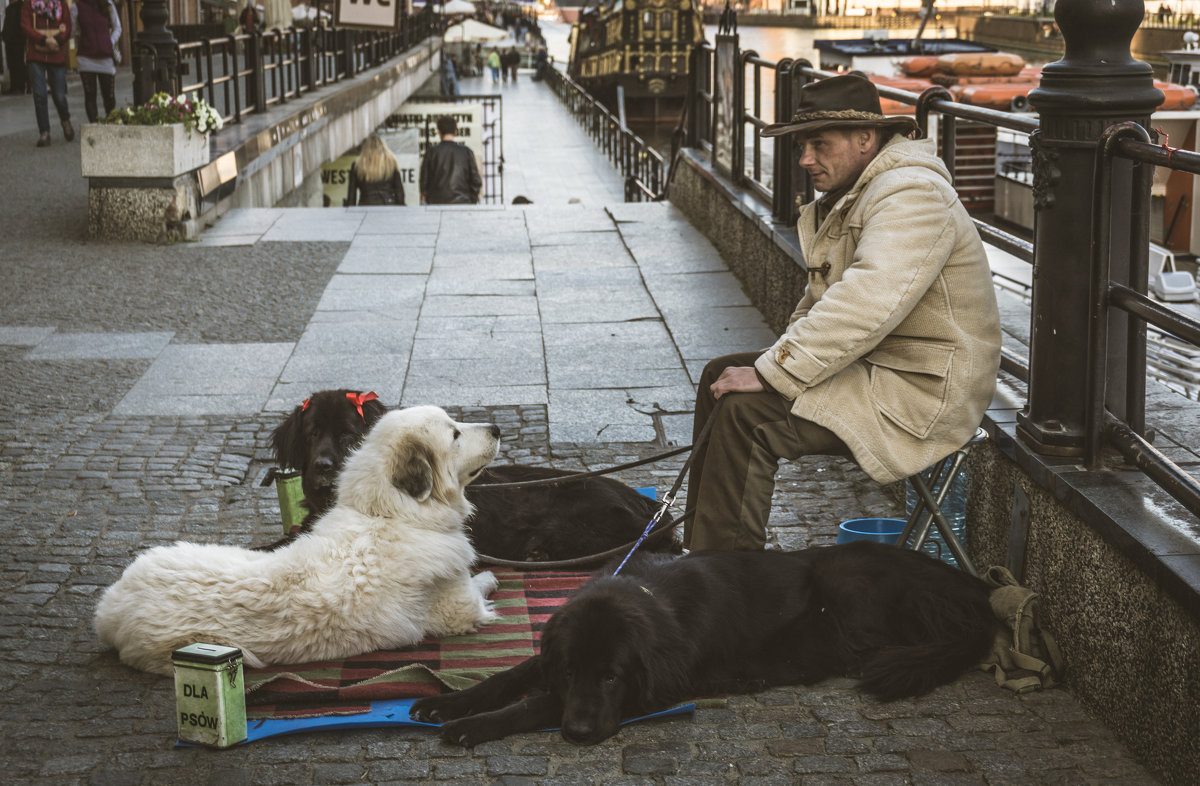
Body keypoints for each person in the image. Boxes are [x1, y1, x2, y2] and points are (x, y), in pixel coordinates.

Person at [683, 73, 1001, 552]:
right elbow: (823, 301)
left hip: (922, 390)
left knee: (747, 413)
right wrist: (772, 364)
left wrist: (772, 373)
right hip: (877, 367)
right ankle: (701, 552)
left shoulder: (911, 194)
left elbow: (869, 299)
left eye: (819, 144)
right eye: (801, 146)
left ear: (865, 138)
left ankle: (728, 578)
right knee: (721, 375)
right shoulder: (861, 192)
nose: (806, 159)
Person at [22, 0, 72, 147]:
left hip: (56, 54)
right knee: (39, 94)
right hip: (35, 55)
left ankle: (65, 119)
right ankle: (44, 132)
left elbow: (68, 26)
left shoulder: (61, 3)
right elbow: (25, 26)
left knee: (59, 95)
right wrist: (43, 40)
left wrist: (57, 39)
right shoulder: (29, 4)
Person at [70, 0, 121, 123]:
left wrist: (110, 42)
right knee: (90, 96)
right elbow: (71, 32)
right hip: (86, 59)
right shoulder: (77, 7)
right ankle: (94, 126)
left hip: (106, 60)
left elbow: (117, 27)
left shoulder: (108, 4)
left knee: (109, 97)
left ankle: (110, 126)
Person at [419, 115, 481, 205]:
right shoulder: (466, 152)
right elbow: (476, 181)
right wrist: (472, 199)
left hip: (436, 203)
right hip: (463, 202)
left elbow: (424, 181)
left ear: (439, 132)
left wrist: (426, 199)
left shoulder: (431, 152)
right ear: (455, 132)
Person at [345, 134, 405, 206]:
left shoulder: (357, 165)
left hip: (366, 206)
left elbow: (351, 196)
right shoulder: (391, 163)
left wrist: (351, 211)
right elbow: (399, 192)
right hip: (388, 206)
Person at [3, 0, 28, 95]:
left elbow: (21, 24)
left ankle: (20, 87)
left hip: (17, 40)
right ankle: (14, 87)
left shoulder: (20, 7)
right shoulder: (9, 8)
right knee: (12, 64)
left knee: (18, 63)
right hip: (9, 41)